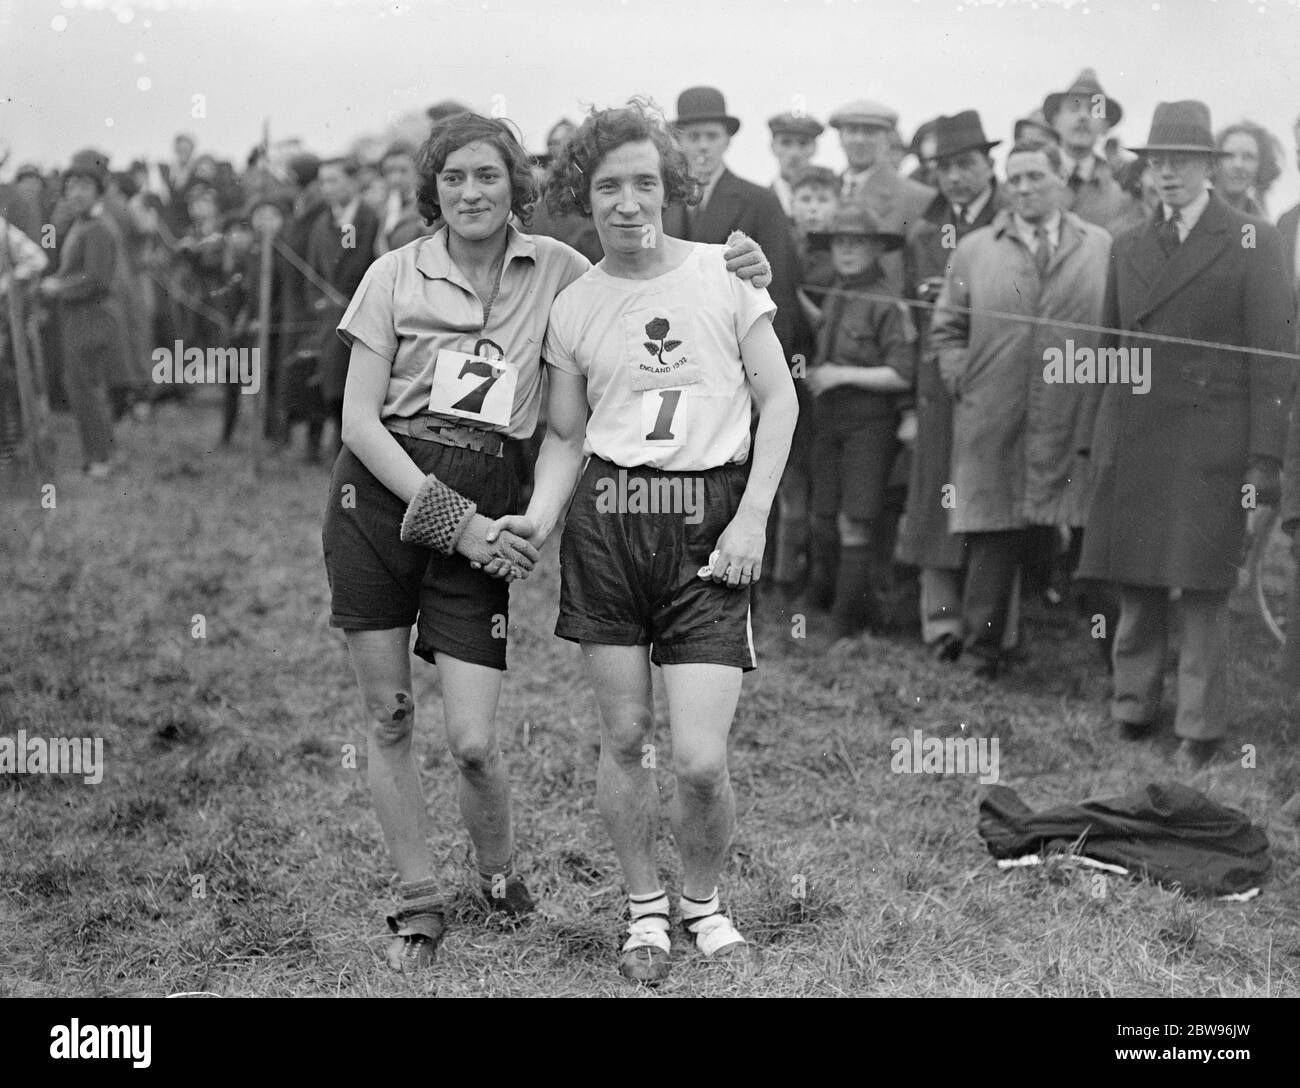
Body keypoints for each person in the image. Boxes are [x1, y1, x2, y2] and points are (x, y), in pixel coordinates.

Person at [322, 109, 772, 973]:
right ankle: (419, 902)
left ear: (517, 186)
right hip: (380, 494)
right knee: (387, 714)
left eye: (487, 175)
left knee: (475, 742)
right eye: (451, 178)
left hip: (492, 494)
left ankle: (498, 875)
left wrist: (738, 256)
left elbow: (642, 266)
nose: (469, 193)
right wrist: (453, 518)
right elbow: (355, 418)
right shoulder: (390, 272)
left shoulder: (560, 270)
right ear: (432, 188)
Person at [490, 100, 797, 985]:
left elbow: (779, 402)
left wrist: (753, 517)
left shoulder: (725, 273)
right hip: (609, 526)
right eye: (609, 187)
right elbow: (563, 436)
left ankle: (702, 899)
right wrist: (540, 522)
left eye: (645, 184)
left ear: (671, 187)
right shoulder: (575, 303)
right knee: (624, 737)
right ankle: (643, 911)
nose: (628, 203)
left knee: (699, 760)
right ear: (585, 197)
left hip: (710, 522)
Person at [1078, 101, 1293, 767]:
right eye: (1157, 163)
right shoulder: (1128, 243)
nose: (1166, 175)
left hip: (1213, 441)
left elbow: (1272, 356)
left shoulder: (1254, 239)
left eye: (1181, 162)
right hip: (1137, 432)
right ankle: (1133, 707)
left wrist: (1264, 457)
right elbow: (1109, 347)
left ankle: (1200, 726)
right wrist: (1093, 441)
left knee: (1202, 585)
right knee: (1137, 577)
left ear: (1207, 168)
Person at [930, 141, 1112, 680]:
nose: (1025, 187)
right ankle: (982, 654)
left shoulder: (1099, 245)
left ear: (1060, 180)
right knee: (994, 533)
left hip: (1073, 411)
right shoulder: (976, 248)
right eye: (1016, 178)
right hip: (997, 409)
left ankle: (1111, 659)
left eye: (1036, 176)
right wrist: (962, 374)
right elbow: (946, 326)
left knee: (1089, 537)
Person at [899, 110, 1003, 661]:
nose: (956, 177)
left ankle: (991, 627)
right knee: (934, 498)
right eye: (945, 167)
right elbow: (914, 319)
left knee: (991, 501)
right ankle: (941, 626)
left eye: (967, 164)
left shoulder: (1011, 220)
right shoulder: (924, 229)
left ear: (990, 164)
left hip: (994, 378)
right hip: (938, 381)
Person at [802, 204, 914, 642]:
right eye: (839, 243)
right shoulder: (836, 292)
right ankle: (825, 601)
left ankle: (847, 623)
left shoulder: (888, 302)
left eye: (857, 244)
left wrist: (839, 374)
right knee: (823, 513)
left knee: (856, 519)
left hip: (870, 422)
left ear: (876, 249)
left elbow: (903, 373)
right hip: (830, 419)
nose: (846, 252)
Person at [663, 86, 800, 356]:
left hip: (735, 345)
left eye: (712, 136)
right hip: (677, 347)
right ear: (678, 142)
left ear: (727, 141)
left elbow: (781, 289)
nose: (703, 145)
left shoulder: (760, 201)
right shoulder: (664, 203)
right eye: (693, 136)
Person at [36, 150, 122, 477]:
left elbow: (97, 279)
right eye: (71, 186)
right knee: (85, 387)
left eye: (84, 186)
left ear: (98, 190)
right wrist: (58, 280)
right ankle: (102, 452)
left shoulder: (98, 227)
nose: (75, 193)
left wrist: (59, 287)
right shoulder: (82, 223)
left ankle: (99, 458)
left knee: (84, 388)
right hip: (81, 317)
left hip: (91, 317)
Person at [306, 157, 380, 459]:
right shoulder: (322, 223)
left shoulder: (369, 220)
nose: (326, 188)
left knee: (356, 388)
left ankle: (351, 453)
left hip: (362, 317)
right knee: (330, 384)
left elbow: (370, 263)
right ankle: (335, 449)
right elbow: (311, 271)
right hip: (328, 320)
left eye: (333, 180)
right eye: (322, 181)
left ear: (352, 181)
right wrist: (319, 302)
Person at [828, 98, 935, 293]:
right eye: (852, 131)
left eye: (870, 132)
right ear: (840, 138)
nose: (860, 140)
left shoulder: (918, 198)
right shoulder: (825, 193)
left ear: (887, 139)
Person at [1042, 69, 1137, 234]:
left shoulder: (1119, 195)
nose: (1083, 116)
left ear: (1105, 125)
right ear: (1056, 120)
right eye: (1074, 108)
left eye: (1095, 110)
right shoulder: (1031, 178)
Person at [1213, 120, 1284, 217]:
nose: (1238, 165)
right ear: (1216, 162)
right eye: (1229, 156)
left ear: (1261, 165)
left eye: (1248, 157)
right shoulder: (1193, 214)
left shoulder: (1263, 226)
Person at [767, 111, 824, 219]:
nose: (794, 153)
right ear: (773, 147)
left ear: (814, 148)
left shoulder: (831, 200)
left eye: (803, 143)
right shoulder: (758, 201)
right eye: (786, 143)